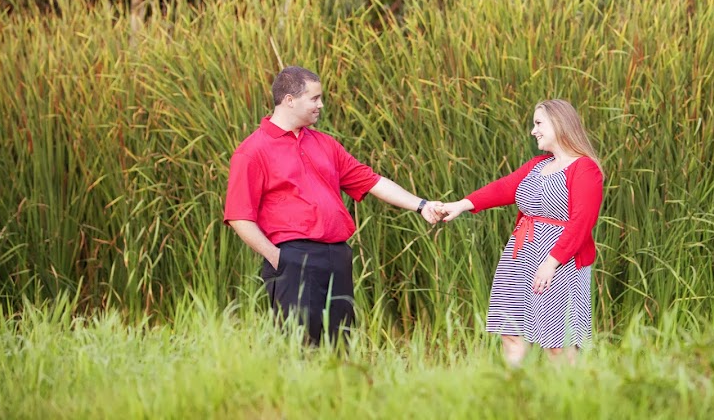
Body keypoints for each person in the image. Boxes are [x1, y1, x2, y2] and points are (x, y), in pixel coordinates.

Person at [224, 66, 443, 344]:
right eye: (314, 98)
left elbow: (371, 181)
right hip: (292, 258)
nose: (321, 105)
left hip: (336, 257)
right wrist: (278, 259)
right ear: (290, 100)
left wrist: (421, 205)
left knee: (340, 345)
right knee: (301, 346)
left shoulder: (325, 144)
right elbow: (239, 217)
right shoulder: (252, 151)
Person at [439, 99, 604, 366]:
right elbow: (503, 188)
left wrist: (551, 262)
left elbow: (582, 222)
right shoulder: (538, 165)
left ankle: (569, 397)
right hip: (521, 254)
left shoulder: (584, 168)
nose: (533, 130)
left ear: (559, 123)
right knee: (510, 330)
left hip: (560, 261)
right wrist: (461, 205)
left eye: (539, 123)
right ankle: (513, 393)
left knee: (558, 340)